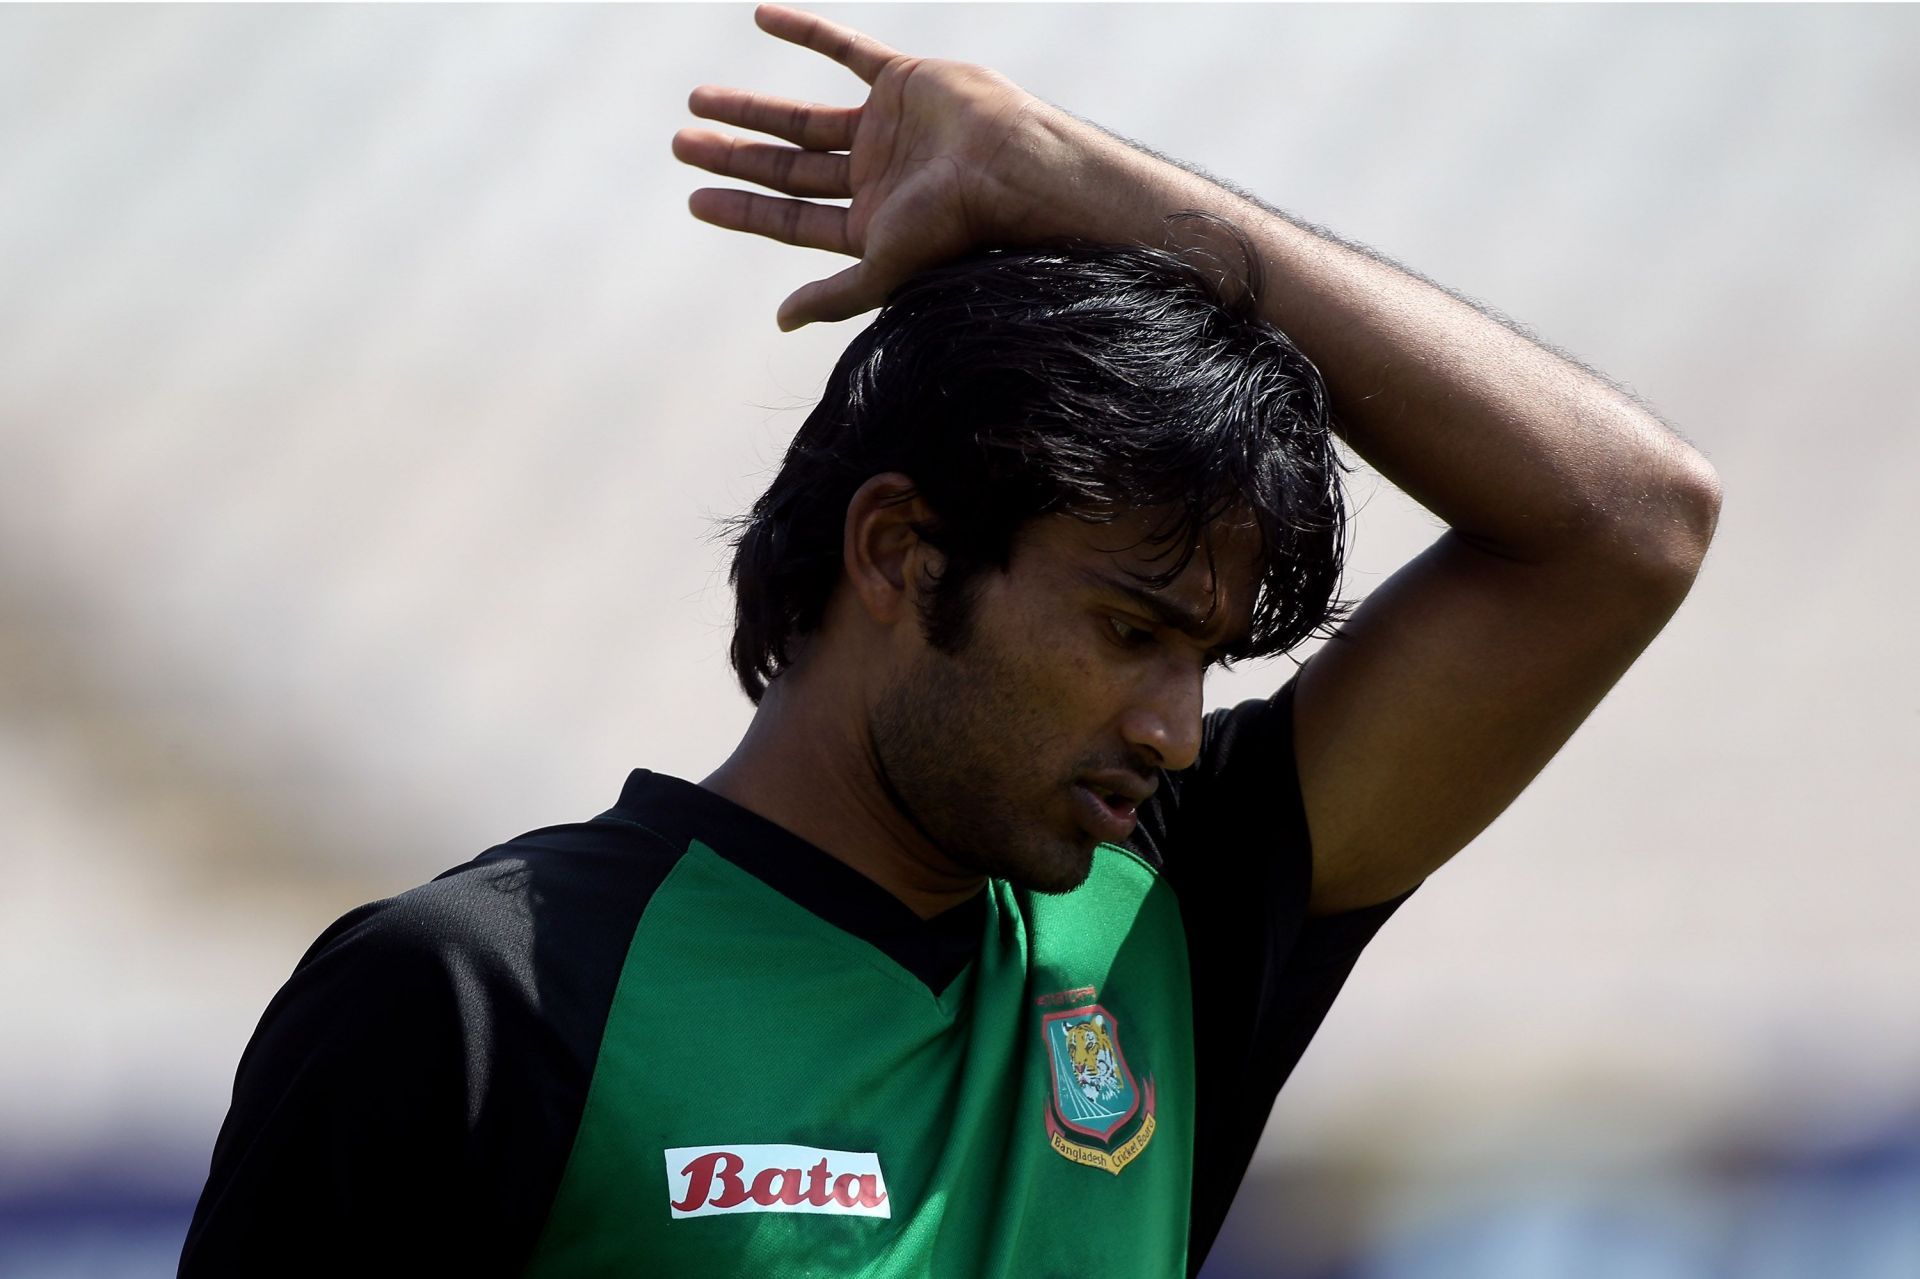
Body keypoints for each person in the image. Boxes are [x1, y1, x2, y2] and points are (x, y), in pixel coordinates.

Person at [180, 6, 1721, 1276]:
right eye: (1130, 629)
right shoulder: (471, 998)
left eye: (1206, 659)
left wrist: (1055, 173)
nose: (1176, 728)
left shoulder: (1162, 919)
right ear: (902, 557)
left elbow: (1628, 525)